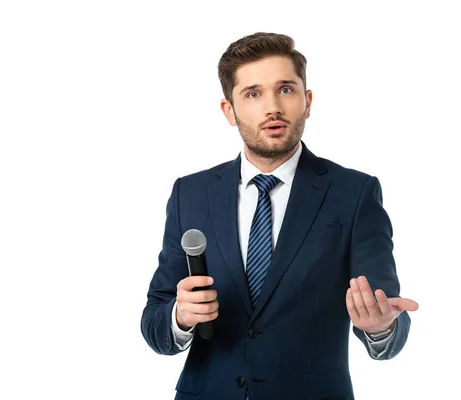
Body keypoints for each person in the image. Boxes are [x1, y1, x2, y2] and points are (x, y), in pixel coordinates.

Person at [141, 32, 419, 400]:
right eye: (253, 94)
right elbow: (154, 318)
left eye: (285, 89)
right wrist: (180, 316)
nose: (272, 107)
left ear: (307, 101)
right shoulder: (189, 194)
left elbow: (384, 310)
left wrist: (380, 329)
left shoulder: (354, 193)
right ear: (230, 110)